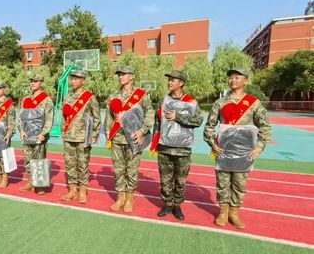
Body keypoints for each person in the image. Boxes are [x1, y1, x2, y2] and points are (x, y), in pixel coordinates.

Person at [203, 68, 271, 229]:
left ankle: (234, 213)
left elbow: (265, 126)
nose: (232, 80)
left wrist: (260, 146)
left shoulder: (253, 103)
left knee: (240, 184)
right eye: (230, 78)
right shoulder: (220, 103)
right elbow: (209, 126)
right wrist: (213, 143)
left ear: (245, 80)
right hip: (223, 150)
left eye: (236, 77)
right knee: (223, 183)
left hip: (245, 152)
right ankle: (223, 212)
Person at [150, 70, 203, 221]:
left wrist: (178, 116)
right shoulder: (163, 100)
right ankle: (167, 204)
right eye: (169, 80)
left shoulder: (190, 101)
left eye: (173, 80)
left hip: (183, 149)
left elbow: (198, 121)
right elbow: (157, 122)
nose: (169, 82)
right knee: (165, 179)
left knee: (180, 180)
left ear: (181, 83)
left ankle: (177, 205)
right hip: (165, 147)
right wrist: (155, 141)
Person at [105, 66, 154, 213]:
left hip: (134, 138)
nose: (120, 77)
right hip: (117, 138)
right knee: (118, 169)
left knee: (132, 170)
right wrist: (109, 135)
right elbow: (109, 118)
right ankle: (120, 197)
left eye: (123, 74)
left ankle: (129, 198)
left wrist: (142, 131)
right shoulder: (113, 96)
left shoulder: (141, 95)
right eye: (119, 75)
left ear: (132, 76)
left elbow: (150, 114)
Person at [60, 69, 101, 204]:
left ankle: (83, 191)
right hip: (69, 136)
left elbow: (96, 117)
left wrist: (95, 134)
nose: (73, 81)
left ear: (83, 81)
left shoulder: (89, 97)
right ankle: (72, 191)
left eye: (76, 79)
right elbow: (64, 117)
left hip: (83, 137)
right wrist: (62, 131)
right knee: (70, 164)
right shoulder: (67, 97)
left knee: (83, 164)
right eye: (72, 78)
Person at [19, 74, 54, 195]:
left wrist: (44, 133)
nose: (33, 83)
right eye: (31, 81)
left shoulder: (46, 100)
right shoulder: (25, 99)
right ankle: (30, 182)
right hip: (27, 135)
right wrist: (21, 130)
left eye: (35, 81)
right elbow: (21, 116)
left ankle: (39, 185)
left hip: (39, 136)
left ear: (41, 83)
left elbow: (49, 118)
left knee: (39, 160)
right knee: (28, 160)